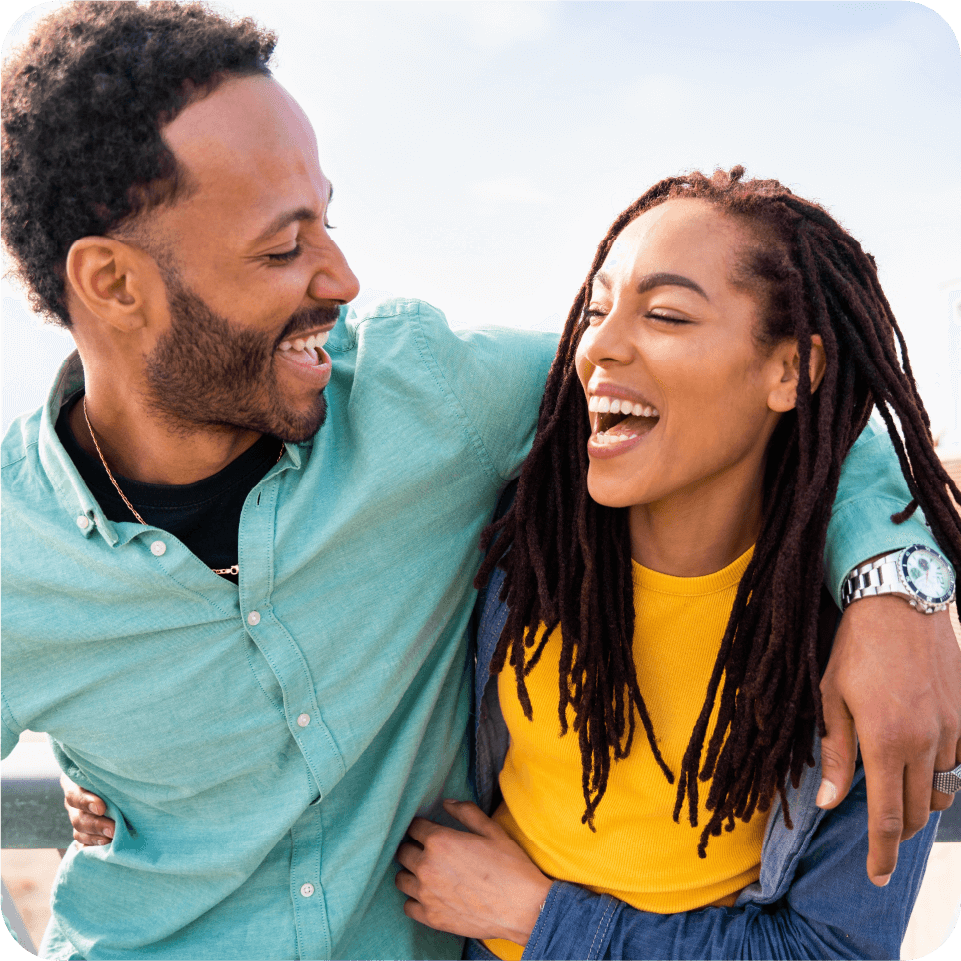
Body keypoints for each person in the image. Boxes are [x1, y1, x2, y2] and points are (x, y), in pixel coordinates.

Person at [0, 2, 957, 958]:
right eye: (284, 247)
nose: (342, 278)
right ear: (114, 284)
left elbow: (781, 405)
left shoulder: (430, 398)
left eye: (327, 223)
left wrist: (897, 587)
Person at [392, 169, 961, 960]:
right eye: (596, 308)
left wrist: (539, 918)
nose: (600, 345)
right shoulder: (520, 548)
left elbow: (833, 950)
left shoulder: (864, 661)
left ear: (790, 370)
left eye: (664, 313)